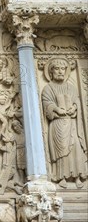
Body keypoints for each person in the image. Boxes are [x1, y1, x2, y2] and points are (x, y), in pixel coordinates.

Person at [41, 59, 87, 188]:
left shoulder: (71, 87)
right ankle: (61, 177)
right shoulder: (48, 88)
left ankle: (78, 176)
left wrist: (74, 107)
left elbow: (77, 101)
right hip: (58, 124)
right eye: (57, 69)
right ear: (51, 72)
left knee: (75, 148)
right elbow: (47, 103)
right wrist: (56, 109)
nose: (60, 71)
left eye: (63, 69)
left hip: (71, 123)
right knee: (61, 151)